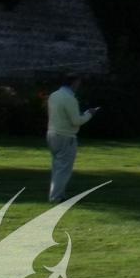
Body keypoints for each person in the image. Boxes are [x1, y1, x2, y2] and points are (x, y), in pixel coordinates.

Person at [47, 71, 97, 202]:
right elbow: (76, 121)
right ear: (74, 83)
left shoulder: (54, 95)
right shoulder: (70, 98)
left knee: (57, 167)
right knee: (63, 168)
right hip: (66, 136)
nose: (79, 85)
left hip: (52, 133)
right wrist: (89, 114)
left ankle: (58, 194)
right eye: (78, 82)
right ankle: (56, 197)